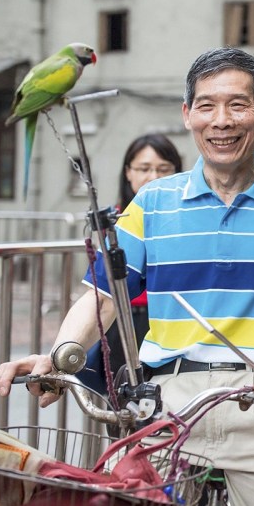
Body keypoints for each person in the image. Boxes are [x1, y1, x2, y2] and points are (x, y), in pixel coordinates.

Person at [0, 47, 254, 506]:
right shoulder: (153, 202)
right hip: (167, 403)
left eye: (238, 105)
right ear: (187, 115)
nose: (221, 120)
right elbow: (101, 297)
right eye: (206, 106)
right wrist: (61, 355)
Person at [77, 133, 183, 395]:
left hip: (164, 320)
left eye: (163, 169)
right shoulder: (113, 221)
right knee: (121, 407)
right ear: (128, 172)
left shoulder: (185, 221)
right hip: (120, 322)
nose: (152, 177)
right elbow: (102, 291)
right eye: (144, 168)